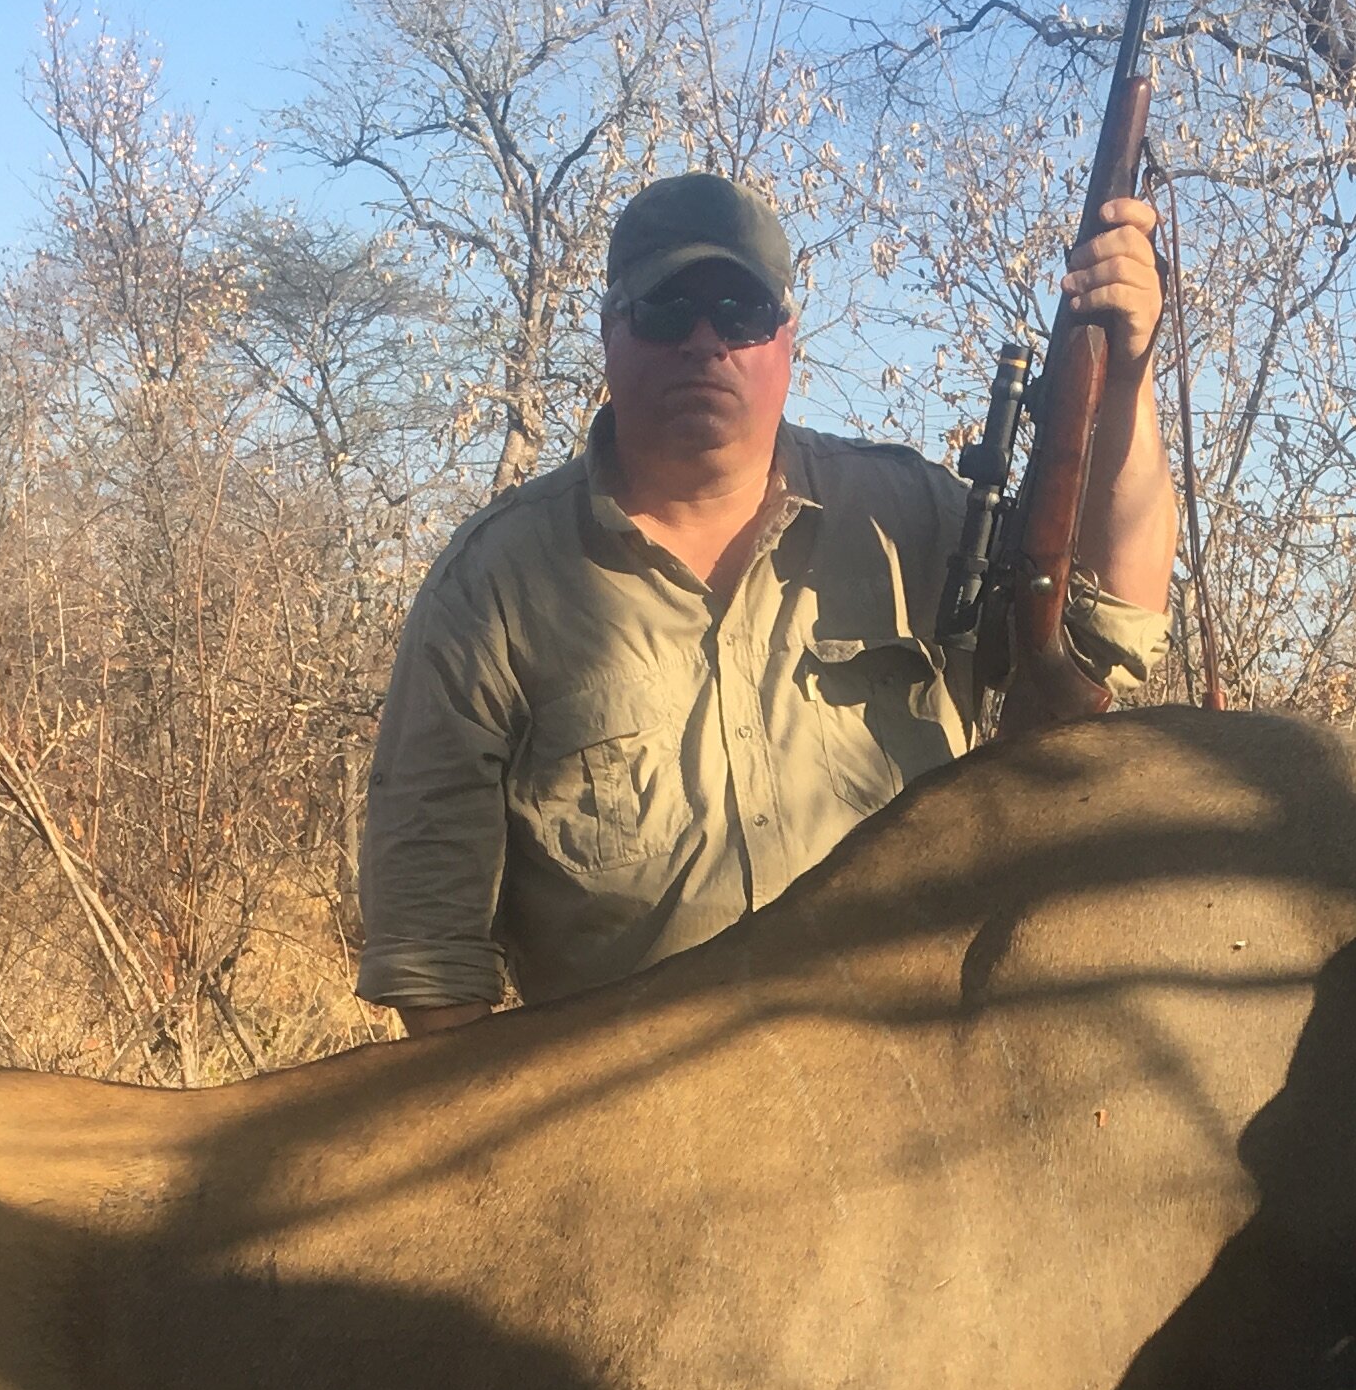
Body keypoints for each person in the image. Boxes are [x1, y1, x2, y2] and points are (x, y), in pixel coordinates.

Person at [356, 171, 1176, 1030]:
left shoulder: (913, 517)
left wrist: (1125, 379)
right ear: (610, 333)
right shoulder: (492, 587)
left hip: (918, 1105)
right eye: (669, 308)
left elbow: (1110, 626)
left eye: (739, 312)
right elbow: (432, 962)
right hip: (634, 1131)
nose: (705, 341)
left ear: (787, 338)